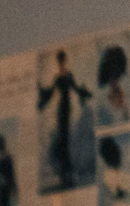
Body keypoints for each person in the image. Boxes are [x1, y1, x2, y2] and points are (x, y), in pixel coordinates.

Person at [37, 49, 92, 190]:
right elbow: (50, 94)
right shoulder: (57, 78)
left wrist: (85, 93)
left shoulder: (69, 75)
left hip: (67, 109)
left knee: (65, 141)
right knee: (62, 140)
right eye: (59, 61)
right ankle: (65, 174)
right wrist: (42, 93)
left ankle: (67, 174)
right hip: (61, 110)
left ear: (64, 61)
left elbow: (76, 88)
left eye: (62, 61)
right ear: (58, 62)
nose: (61, 63)